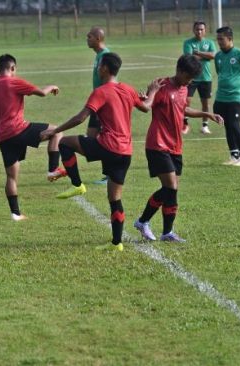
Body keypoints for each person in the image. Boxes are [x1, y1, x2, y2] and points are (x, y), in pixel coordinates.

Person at [43, 53, 161, 251]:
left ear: (105, 68)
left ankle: (77, 185)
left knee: (64, 143)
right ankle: (117, 243)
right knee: (115, 199)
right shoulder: (127, 89)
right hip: (125, 152)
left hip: (107, 146)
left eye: (99, 65)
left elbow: (80, 118)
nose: (97, 68)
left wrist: (55, 130)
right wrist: (153, 91)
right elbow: (147, 107)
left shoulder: (101, 91)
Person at [134, 55, 224, 243]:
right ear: (180, 71)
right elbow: (144, 105)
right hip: (157, 144)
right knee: (170, 187)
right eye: (189, 77)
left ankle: (167, 233)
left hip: (175, 146)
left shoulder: (183, 89)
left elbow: (182, 109)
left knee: (172, 190)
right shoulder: (161, 86)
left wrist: (206, 113)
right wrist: (147, 95)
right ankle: (143, 221)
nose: (190, 82)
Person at [0, 54, 64, 221]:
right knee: (57, 131)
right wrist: (52, 86)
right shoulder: (14, 81)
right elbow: (41, 93)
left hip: (3, 136)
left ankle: (15, 213)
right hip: (19, 129)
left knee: (12, 176)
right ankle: (53, 169)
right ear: (12, 68)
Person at [213, 26, 240, 166]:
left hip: (236, 96)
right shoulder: (218, 56)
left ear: (230, 39)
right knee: (228, 126)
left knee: (235, 124)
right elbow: (220, 73)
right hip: (221, 97)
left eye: (221, 39)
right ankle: (234, 155)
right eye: (217, 39)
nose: (219, 42)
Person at [182, 21, 217, 135]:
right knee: (186, 102)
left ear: (205, 31)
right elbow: (189, 57)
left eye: (201, 29)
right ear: (194, 30)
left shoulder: (210, 42)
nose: (199, 31)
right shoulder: (188, 42)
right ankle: (185, 125)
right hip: (191, 78)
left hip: (206, 78)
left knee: (205, 103)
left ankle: (205, 126)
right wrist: (205, 55)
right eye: (197, 29)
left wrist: (198, 53)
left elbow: (213, 55)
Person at [87, 27, 111, 185]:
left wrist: (101, 102)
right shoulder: (99, 55)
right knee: (91, 137)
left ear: (97, 38)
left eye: (89, 37)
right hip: (97, 101)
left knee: (102, 137)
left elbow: (107, 81)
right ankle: (108, 172)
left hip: (102, 103)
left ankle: (110, 174)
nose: (87, 39)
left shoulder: (105, 56)